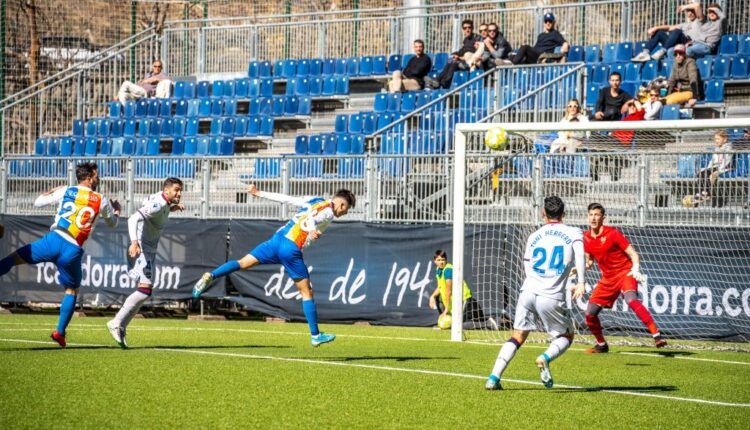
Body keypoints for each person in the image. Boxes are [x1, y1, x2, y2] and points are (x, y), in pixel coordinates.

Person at [192, 185, 356, 347]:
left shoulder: (314, 200)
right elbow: (313, 219)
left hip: (276, 240)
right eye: (346, 209)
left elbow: (286, 199)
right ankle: (315, 335)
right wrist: (312, 230)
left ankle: (210, 275)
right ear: (342, 204)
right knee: (307, 292)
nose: (344, 213)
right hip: (290, 247)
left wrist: (259, 193)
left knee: (242, 263)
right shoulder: (328, 212)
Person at [0, 162, 120, 347]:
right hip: (72, 250)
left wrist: (53, 190)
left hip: (53, 240)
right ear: (88, 178)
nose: (99, 178)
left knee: (12, 259)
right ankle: (60, 332)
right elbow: (112, 223)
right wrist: (117, 211)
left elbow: (38, 202)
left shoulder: (67, 191)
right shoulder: (101, 198)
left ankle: (61, 333)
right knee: (72, 290)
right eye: (96, 175)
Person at [485, 196, 585, 391]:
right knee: (567, 336)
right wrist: (581, 282)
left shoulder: (534, 235)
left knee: (517, 336)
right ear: (564, 214)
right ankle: (545, 357)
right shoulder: (573, 232)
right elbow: (580, 255)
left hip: (528, 292)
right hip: (551, 295)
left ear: (543, 214)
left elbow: (527, 264)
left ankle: (493, 378)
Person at [106, 177, 184, 349]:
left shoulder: (163, 202)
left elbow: (150, 205)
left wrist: (173, 208)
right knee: (145, 289)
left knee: (145, 290)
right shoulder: (159, 204)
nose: (179, 193)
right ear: (166, 191)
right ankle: (117, 323)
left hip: (149, 249)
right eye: (177, 190)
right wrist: (134, 243)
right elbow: (133, 219)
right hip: (142, 248)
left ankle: (120, 326)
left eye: (181, 190)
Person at [583, 203, 667, 352]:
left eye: (596, 215)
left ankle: (657, 335)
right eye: (591, 215)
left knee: (631, 300)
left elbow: (633, 254)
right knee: (590, 313)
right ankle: (601, 345)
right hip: (607, 279)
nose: (593, 218)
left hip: (624, 273)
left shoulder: (613, 233)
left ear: (603, 218)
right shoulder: (586, 238)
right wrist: (580, 268)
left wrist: (635, 268)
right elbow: (589, 261)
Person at [428, 250, 498, 330]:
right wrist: (432, 296)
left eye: (443, 260)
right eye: (439, 260)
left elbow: (448, 290)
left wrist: (446, 309)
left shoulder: (448, 270)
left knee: (459, 325)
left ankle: (487, 323)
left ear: (446, 260)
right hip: (454, 301)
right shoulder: (439, 270)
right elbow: (440, 287)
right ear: (435, 261)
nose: (441, 262)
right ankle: (443, 324)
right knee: (437, 297)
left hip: (463, 299)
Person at [632, 4, 701, 62]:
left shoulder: (700, 22)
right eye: (688, 11)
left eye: (692, 11)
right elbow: (669, 27)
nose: (690, 13)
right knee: (659, 32)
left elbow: (697, 6)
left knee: (677, 31)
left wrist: (685, 6)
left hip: (688, 44)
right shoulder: (684, 24)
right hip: (677, 44)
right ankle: (645, 53)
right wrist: (655, 28)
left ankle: (662, 51)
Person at [425, 19, 480, 89]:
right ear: (463, 30)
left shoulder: (476, 38)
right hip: (463, 61)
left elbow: (472, 51)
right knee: (450, 61)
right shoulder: (466, 40)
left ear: (472, 28)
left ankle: (443, 83)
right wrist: (456, 54)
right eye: (465, 28)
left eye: (469, 27)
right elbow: (463, 50)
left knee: (454, 63)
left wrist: (459, 57)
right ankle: (437, 80)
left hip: (470, 64)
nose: (467, 30)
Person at [689, 130, 733, 206]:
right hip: (715, 167)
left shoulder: (729, 148)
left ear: (725, 139)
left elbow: (726, 162)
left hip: (724, 168)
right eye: (715, 139)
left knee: (710, 175)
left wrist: (719, 171)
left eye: (718, 139)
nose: (716, 141)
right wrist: (706, 168)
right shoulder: (717, 149)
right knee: (701, 173)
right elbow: (712, 161)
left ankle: (706, 193)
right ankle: (699, 193)